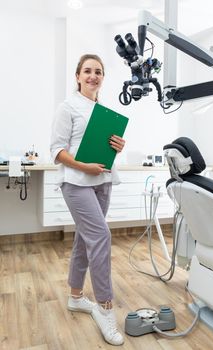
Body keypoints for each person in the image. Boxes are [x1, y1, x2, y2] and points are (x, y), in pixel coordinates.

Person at [50, 54, 125, 346]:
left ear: (102, 78)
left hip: (102, 180)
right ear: (78, 76)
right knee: (101, 237)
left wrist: (117, 146)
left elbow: (101, 149)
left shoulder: (104, 112)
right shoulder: (67, 107)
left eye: (98, 72)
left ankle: (76, 297)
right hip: (77, 182)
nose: (93, 76)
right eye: (88, 71)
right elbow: (57, 151)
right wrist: (85, 167)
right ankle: (105, 307)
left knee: (85, 239)